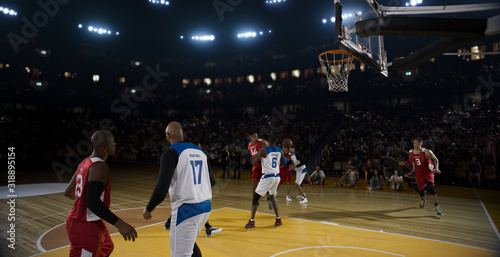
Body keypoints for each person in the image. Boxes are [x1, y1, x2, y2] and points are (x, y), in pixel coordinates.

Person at [143, 122, 216, 257]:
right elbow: (212, 181)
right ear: (183, 134)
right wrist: (195, 189)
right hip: (205, 208)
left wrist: (148, 208)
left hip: (186, 211)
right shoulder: (200, 151)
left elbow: (161, 189)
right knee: (191, 247)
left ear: (168, 135)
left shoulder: (170, 153)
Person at [65, 130, 137, 257]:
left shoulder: (84, 163)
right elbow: (92, 201)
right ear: (105, 144)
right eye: (113, 141)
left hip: (89, 221)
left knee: (107, 248)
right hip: (84, 226)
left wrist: (81, 203)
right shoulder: (99, 166)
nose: (115, 144)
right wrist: (121, 225)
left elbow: (68, 192)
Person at [245, 138, 291, 228]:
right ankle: (278, 219)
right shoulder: (279, 149)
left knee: (255, 199)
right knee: (272, 196)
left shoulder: (263, 151)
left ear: (268, 142)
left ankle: (252, 221)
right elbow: (285, 163)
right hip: (276, 177)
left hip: (268, 177)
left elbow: (254, 163)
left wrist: (254, 157)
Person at [399, 137, 444, 216]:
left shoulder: (427, 152)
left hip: (428, 172)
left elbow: (436, 159)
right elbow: (410, 162)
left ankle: (436, 206)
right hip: (419, 173)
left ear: (420, 144)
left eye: (415, 143)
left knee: (430, 187)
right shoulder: (411, 152)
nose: (413, 144)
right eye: (413, 142)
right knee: (421, 191)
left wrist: (436, 168)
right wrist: (404, 163)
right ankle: (422, 200)